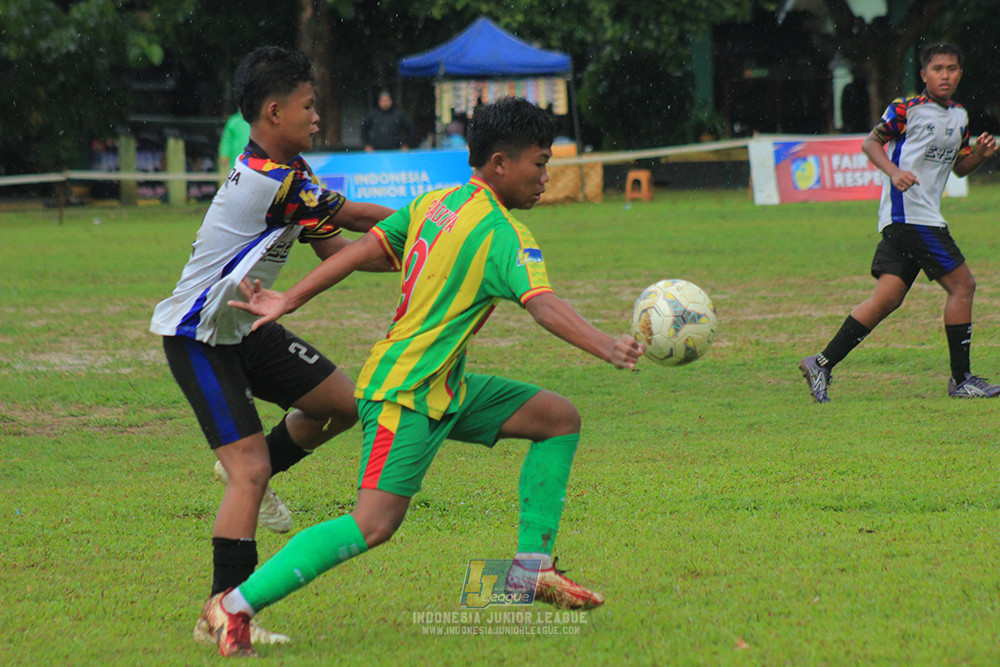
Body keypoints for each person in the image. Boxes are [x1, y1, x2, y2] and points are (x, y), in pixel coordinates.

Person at [199, 96, 645, 657]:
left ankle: (531, 570)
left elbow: (361, 249)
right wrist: (607, 345)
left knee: (558, 419)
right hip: (406, 391)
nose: (545, 178)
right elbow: (543, 305)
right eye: (539, 163)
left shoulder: (436, 204)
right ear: (501, 163)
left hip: (444, 386)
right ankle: (232, 606)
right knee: (373, 525)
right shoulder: (506, 235)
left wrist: (292, 295)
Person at [149, 46, 395, 647]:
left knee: (347, 404)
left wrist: (421, 258)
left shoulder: (295, 175)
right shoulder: (272, 180)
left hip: (247, 325)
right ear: (273, 110)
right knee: (250, 471)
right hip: (200, 336)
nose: (318, 115)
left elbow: (341, 253)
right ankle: (222, 614)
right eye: (310, 106)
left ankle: (246, 470)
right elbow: (360, 219)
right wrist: (446, 224)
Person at [799, 42, 999, 403]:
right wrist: (893, 172)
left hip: (917, 217)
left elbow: (959, 167)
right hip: (910, 217)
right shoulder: (906, 110)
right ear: (924, 74)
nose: (945, 75)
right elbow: (870, 144)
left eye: (952, 69)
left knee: (887, 298)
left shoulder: (959, 117)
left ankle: (821, 363)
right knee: (963, 286)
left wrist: (980, 156)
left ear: (960, 75)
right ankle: (962, 379)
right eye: (937, 69)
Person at [217, 109, 251, 175]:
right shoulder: (233, 121)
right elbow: (226, 140)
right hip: (236, 157)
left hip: (253, 158)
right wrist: (224, 155)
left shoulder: (256, 120)